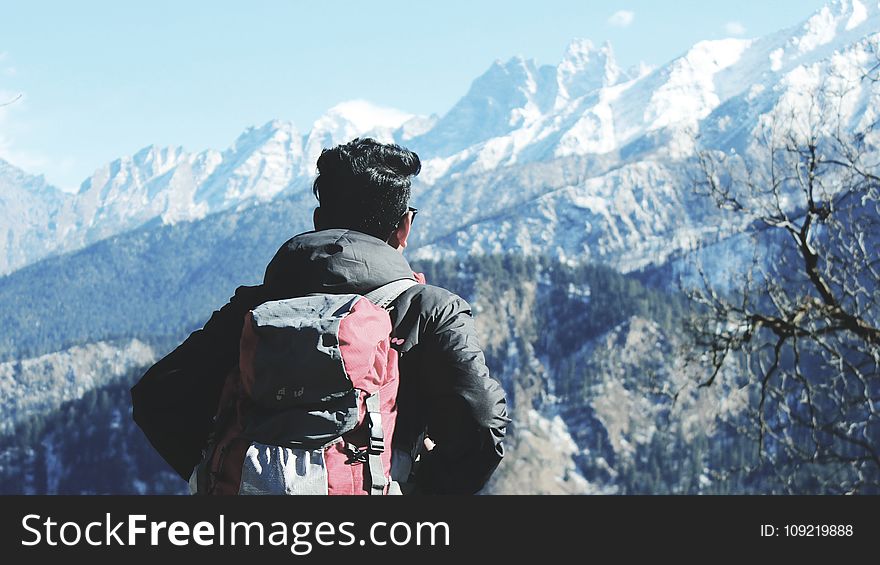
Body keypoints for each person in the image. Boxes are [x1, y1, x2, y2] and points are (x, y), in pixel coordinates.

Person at [131, 137, 509, 494]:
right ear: (404, 226)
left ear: (318, 220)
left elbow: (156, 396)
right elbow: (482, 425)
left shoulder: (256, 307)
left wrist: (217, 475)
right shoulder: (429, 309)